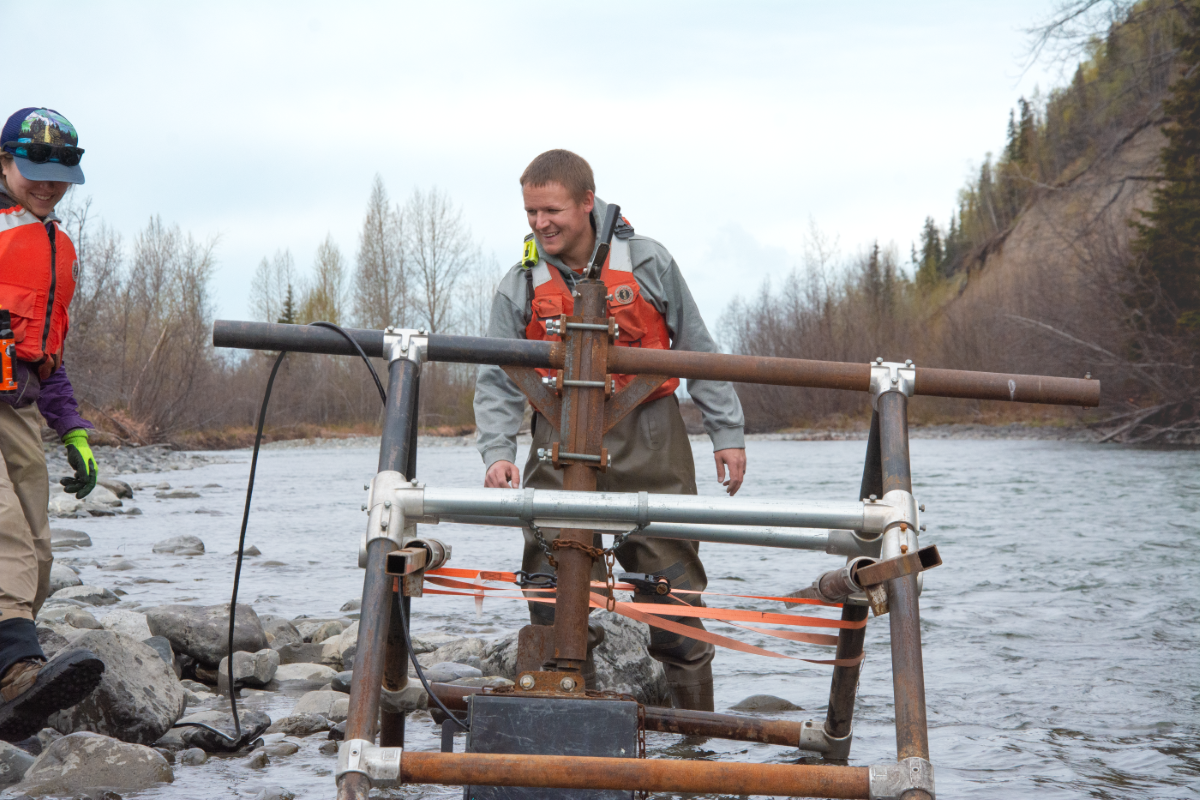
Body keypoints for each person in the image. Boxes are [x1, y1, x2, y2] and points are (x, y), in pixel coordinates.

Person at [474, 149, 747, 711]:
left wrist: (728, 433)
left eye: (551, 210)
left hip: (652, 440)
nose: (540, 223)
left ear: (586, 203)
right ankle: (574, 728)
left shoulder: (649, 262)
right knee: (552, 596)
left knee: (674, 601)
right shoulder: (520, 283)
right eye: (530, 212)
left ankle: (693, 742)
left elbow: (697, 348)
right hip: (556, 439)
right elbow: (499, 375)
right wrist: (497, 450)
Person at [0, 107, 104, 742]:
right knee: (4, 530)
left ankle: (11, 677)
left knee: (37, 550)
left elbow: (50, 357)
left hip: (19, 407)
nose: (47, 184)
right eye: (33, 171)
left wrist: (74, 431)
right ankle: (16, 667)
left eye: (60, 173)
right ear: (3, 163)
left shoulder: (59, 248)